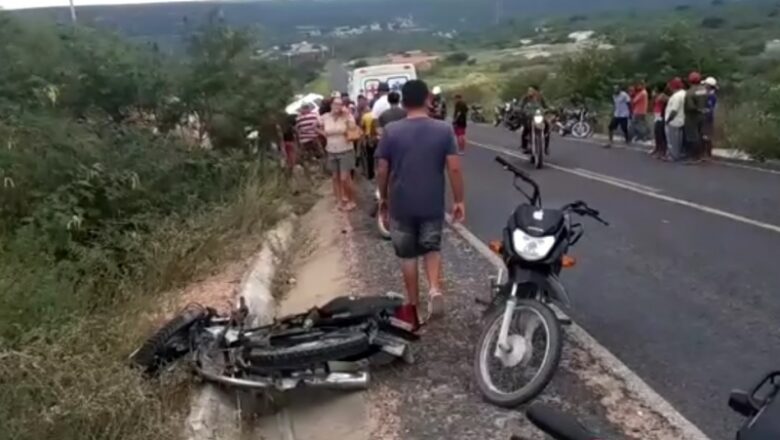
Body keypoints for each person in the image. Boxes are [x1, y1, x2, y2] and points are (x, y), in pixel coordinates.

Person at [376, 79, 465, 330]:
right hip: (431, 202)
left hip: (401, 204)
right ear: (428, 99)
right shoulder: (443, 130)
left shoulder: (392, 131)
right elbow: (455, 168)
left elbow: (382, 169)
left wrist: (383, 198)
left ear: (403, 102)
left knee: (407, 256)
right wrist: (459, 200)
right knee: (431, 247)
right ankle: (434, 288)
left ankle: (413, 305)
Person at [320, 97, 359, 211]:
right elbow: (316, 126)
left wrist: (347, 117)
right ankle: (339, 200)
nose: (338, 106)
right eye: (335, 104)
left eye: (340, 104)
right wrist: (323, 134)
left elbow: (353, 129)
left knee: (344, 178)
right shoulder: (325, 117)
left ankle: (351, 200)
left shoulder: (347, 116)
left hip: (346, 149)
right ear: (331, 105)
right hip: (331, 150)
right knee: (335, 177)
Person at [684, 71, 709, 162]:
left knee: (693, 137)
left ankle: (694, 157)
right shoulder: (704, 90)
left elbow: (690, 107)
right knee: (701, 135)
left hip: (692, 117)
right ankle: (703, 155)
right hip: (703, 115)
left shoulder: (690, 92)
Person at [519, 85, 550, 153]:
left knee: (547, 126)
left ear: (536, 91)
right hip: (529, 117)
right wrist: (520, 109)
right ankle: (524, 146)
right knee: (526, 129)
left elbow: (546, 105)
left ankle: (546, 147)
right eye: (529, 90)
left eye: (531, 90)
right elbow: (520, 105)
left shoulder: (540, 97)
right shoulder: (525, 98)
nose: (530, 92)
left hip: (539, 116)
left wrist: (549, 109)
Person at [664, 77, 686, 162]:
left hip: (674, 121)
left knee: (672, 140)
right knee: (679, 140)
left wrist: (668, 120)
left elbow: (674, 110)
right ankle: (678, 154)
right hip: (682, 120)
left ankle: (673, 156)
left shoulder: (676, 96)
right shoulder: (684, 93)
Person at [651, 82, 669, 159]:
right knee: (656, 133)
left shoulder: (663, 96)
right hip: (656, 115)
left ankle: (662, 151)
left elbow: (667, 101)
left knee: (660, 134)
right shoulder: (657, 96)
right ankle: (657, 148)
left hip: (661, 116)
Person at [702, 76, 718, 159]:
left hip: (707, 118)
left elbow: (710, 109)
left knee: (706, 135)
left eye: (705, 84)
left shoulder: (711, 96)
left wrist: (703, 111)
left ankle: (707, 153)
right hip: (705, 117)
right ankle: (705, 153)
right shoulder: (707, 94)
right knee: (704, 135)